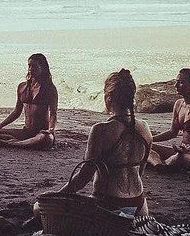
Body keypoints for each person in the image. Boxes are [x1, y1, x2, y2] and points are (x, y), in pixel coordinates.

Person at [49, 69, 152, 215]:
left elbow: (84, 177)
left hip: (109, 202)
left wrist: (56, 197)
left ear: (109, 97)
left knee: (37, 210)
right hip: (139, 204)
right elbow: (140, 170)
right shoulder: (144, 127)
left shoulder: (101, 130)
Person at [148, 68, 190, 171]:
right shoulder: (178, 104)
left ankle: (162, 163)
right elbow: (172, 132)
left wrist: (186, 150)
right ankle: (160, 165)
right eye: (176, 82)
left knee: (181, 157)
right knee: (147, 147)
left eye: (181, 82)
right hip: (183, 150)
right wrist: (149, 139)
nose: (176, 85)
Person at [0, 53, 58, 149]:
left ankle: (14, 144)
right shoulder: (22, 87)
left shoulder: (49, 89)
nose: (31, 69)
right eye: (29, 65)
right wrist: (0, 125)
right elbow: (16, 112)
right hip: (26, 131)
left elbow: (53, 113)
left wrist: (51, 129)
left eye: (34, 66)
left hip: (42, 132)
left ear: (42, 68)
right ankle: (24, 142)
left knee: (47, 139)